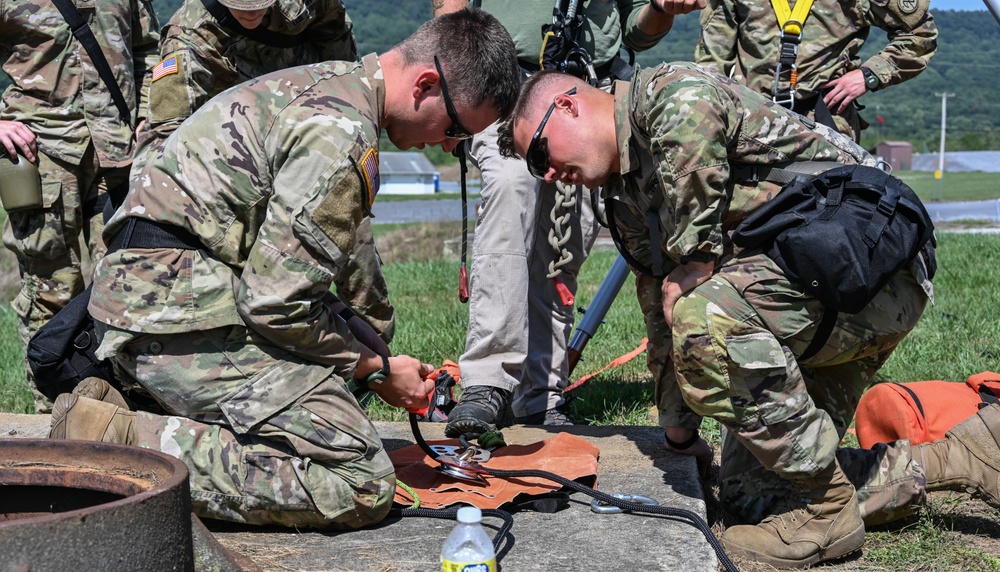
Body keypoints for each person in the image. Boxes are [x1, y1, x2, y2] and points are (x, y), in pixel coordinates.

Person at [497, 66, 1000, 568]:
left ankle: (828, 511)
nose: (547, 174)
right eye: (533, 168)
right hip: (799, 299)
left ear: (567, 104)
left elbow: (690, 279)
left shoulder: (670, 95)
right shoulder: (624, 193)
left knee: (706, 318)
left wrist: (695, 258)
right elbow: (660, 305)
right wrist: (679, 432)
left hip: (872, 270)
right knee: (752, 496)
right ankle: (967, 457)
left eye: (541, 152)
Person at [49, 9, 521, 530]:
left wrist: (355, 340)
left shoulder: (329, 84)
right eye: (455, 128)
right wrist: (374, 369)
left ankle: (145, 409)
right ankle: (115, 442)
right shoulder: (339, 134)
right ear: (426, 84)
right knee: (361, 480)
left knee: (334, 414)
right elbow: (274, 305)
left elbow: (275, 267)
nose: (451, 146)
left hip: (167, 296)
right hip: (169, 317)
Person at [433, 0, 703, 438]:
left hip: (585, 90)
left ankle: (541, 393)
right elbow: (453, 8)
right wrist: (453, 97)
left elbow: (634, 29)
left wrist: (660, 8)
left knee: (564, 246)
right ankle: (488, 382)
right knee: (510, 186)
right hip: (505, 88)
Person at [141, 0, 395, 346]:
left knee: (353, 235)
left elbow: (345, 66)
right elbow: (167, 143)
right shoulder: (190, 37)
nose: (250, 12)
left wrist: (348, 121)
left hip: (313, 130)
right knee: (263, 271)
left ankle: (380, 351)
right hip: (236, 157)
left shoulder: (311, 4)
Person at [0, 0, 160, 413]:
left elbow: (147, 50)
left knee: (125, 287)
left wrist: (149, 116)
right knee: (51, 288)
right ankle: (49, 415)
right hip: (42, 153)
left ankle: (120, 412)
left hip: (121, 154)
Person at [694, 0, 937, 141]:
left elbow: (920, 32)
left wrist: (868, 75)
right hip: (750, 123)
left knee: (828, 220)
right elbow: (712, 65)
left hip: (825, 123)